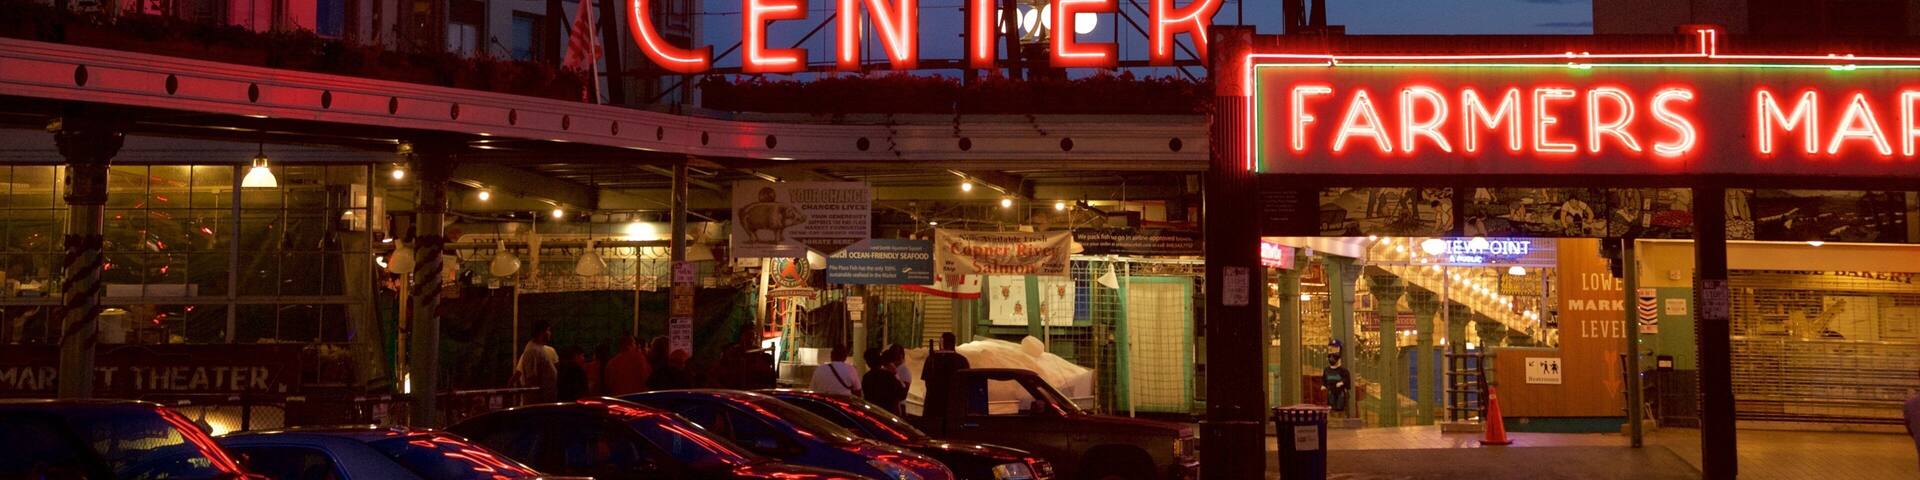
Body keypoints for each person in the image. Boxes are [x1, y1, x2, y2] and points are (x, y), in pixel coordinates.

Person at [921, 333, 970, 414]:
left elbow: (927, 382)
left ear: (942, 342)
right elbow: (966, 384)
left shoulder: (932, 359)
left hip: (933, 406)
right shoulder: (962, 361)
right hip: (955, 407)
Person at [711, 329, 776, 389]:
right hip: (736, 382)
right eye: (748, 336)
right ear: (742, 337)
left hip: (750, 381)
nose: (751, 339)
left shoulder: (756, 351)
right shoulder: (734, 351)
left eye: (753, 336)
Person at [512, 322, 559, 403]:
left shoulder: (539, 349)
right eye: (548, 330)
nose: (550, 333)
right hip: (540, 401)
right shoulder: (532, 351)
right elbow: (531, 379)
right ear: (541, 332)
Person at [863, 349, 907, 414]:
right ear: (880, 360)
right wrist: (895, 374)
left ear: (867, 363)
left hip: (873, 412)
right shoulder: (888, 375)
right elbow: (903, 394)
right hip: (888, 414)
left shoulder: (866, 377)